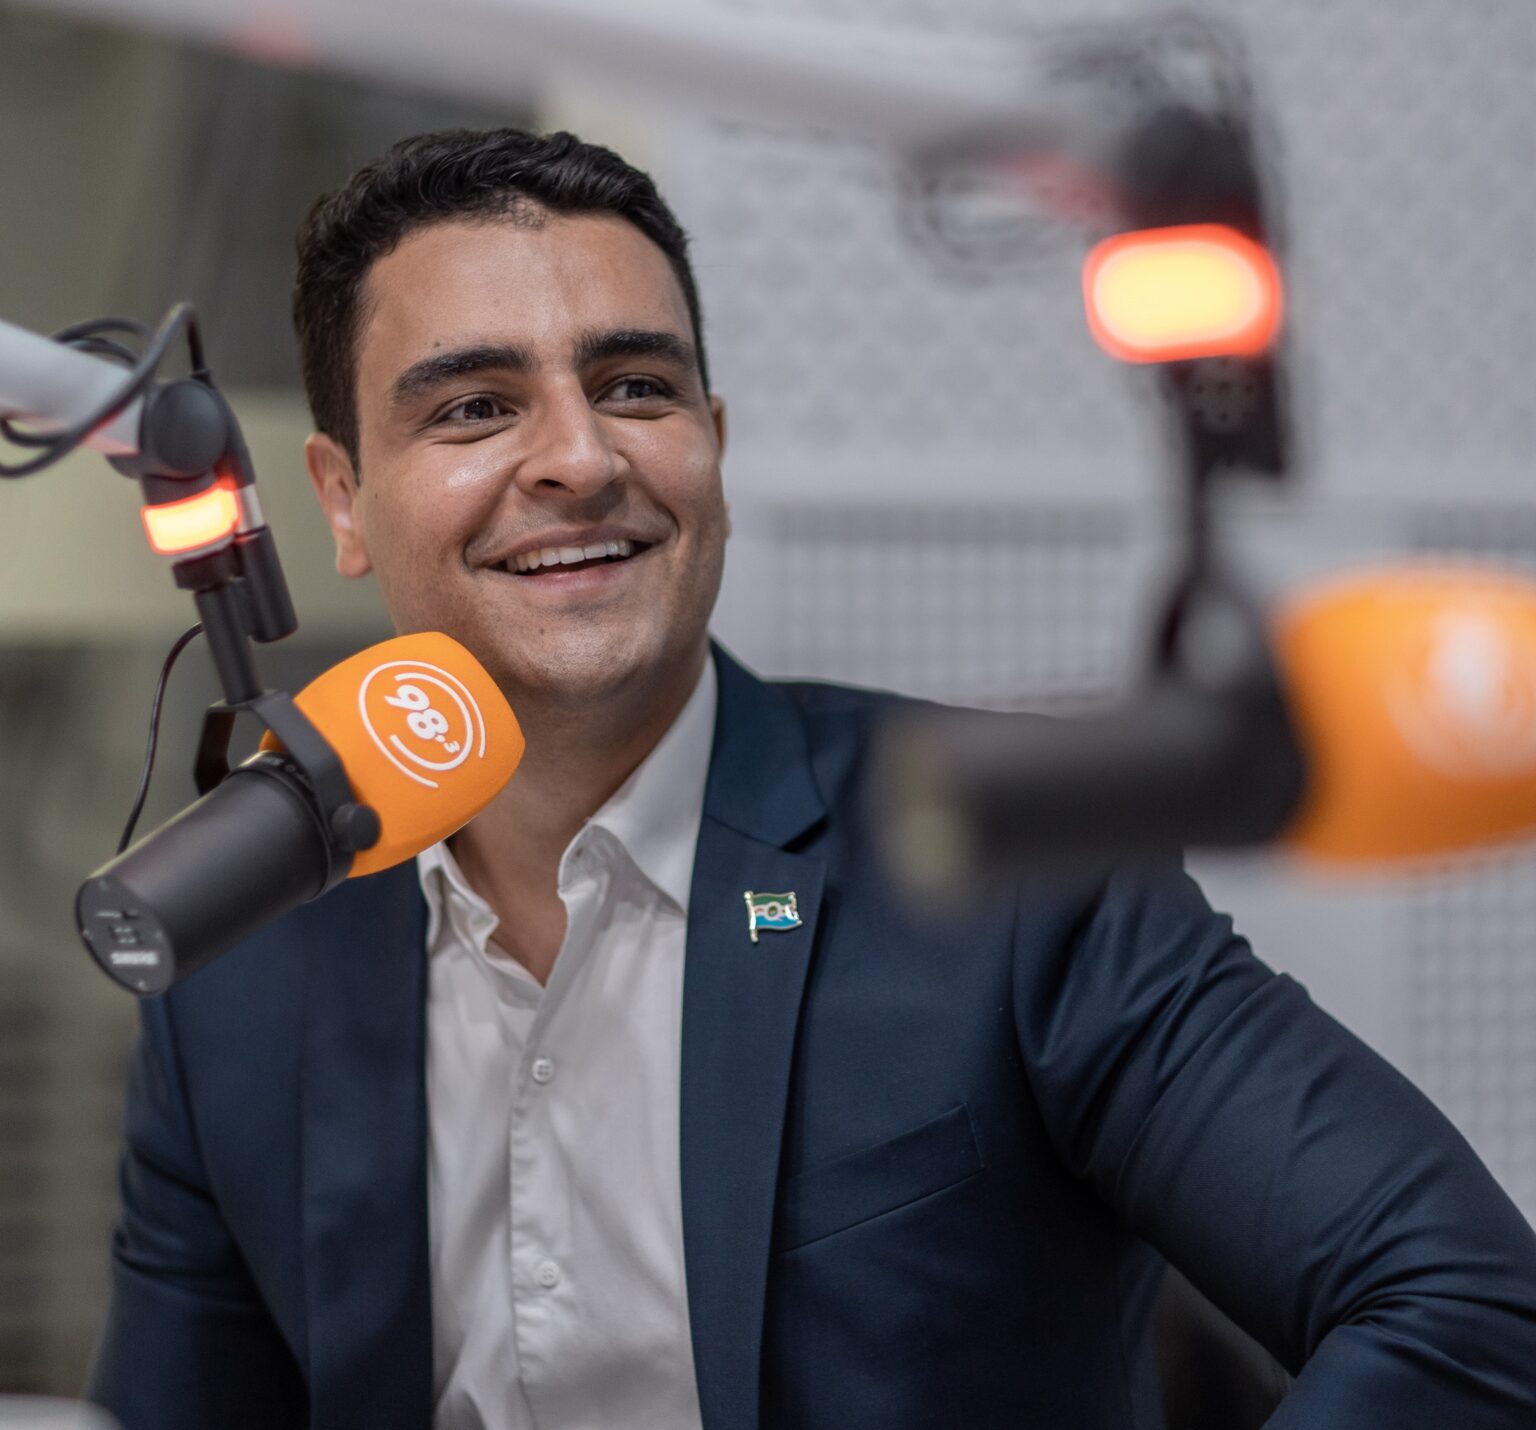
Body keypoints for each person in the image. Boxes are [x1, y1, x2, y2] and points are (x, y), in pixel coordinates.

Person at [87, 128, 1536, 1430]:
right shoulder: (241, 960)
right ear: (342, 499)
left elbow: (1467, 1305)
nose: (579, 458)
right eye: (473, 408)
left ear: (715, 446)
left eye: (636, 387)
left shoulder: (1020, 870)